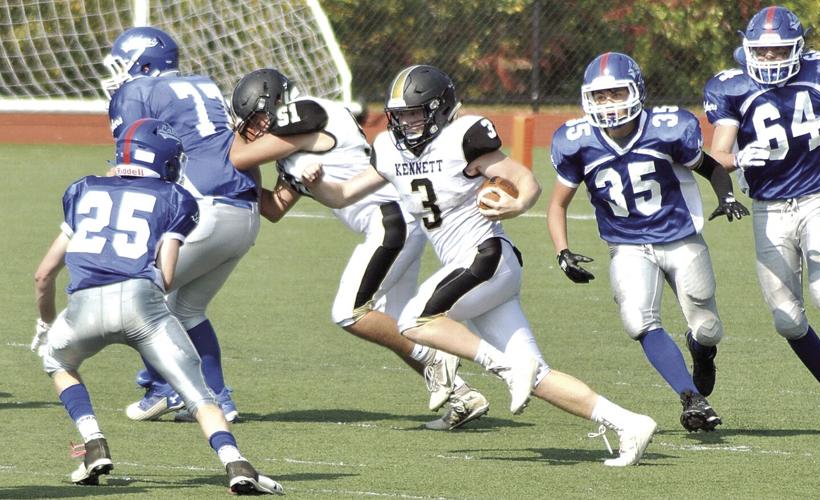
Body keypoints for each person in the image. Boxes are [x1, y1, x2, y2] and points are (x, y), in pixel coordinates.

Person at [299, 64, 657, 466]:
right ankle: (628, 423)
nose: (409, 122)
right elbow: (344, 193)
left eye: (417, 113)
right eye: (402, 115)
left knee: (413, 320)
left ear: (439, 110)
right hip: (476, 272)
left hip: (486, 257)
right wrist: (316, 184)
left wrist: (516, 203)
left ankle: (503, 368)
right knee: (536, 376)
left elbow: (525, 180)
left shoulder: (463, 137)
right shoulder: (387, 149)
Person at [30, 119, 283, 494]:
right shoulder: (175, 197)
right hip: (141, 305)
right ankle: (235, 463)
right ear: (168, 161)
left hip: (83, 307)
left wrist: (49, 324)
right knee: (198, 393)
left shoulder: (83, 190)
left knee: (58, 362)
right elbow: (166, 276)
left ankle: (94, 441)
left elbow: (44, 275)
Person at [228, 68, 489, 430]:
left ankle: (441, 360)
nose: (252, 130)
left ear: (275, 104)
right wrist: (249, 173)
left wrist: (212, 139)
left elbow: (238, 156)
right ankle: (463, 394)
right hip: (394, 223)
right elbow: (274, 208)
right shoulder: (290, 145)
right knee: (403, 326)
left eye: (256, 119)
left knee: (349, 312)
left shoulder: (307, 112)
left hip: (390, 220)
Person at [101, 27, 321, 423]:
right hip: (243, 212)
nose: (119, 74)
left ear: (144, 63)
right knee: (185, 309)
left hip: (200, 207)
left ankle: (165, 388)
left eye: (123, 63)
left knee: (134, 297)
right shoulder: (202, 84)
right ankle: (217, 399)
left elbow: (136, 160)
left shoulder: (136, 92)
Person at [547, 52, 748, 432]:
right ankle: (692, 399)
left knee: (708, 329)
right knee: (638, 319)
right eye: (600, 96)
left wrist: (727, 196)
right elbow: (557, 204)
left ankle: (702, 354)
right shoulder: (576, 142)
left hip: (680, 239)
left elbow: (711, 167)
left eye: (616, 93)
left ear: (636, 91)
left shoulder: (668, 128)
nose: (609, 104)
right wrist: (562, 251)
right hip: (627, 245)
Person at [704, 5, 820, 435]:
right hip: (768, 208)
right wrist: (736, 159)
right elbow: (717, 156)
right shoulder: (731, 86)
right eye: (762, 52)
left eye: (778, 50)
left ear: (797, 47)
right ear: (748, 49)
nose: (769, 59)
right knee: (787, 320)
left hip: (818, 196)